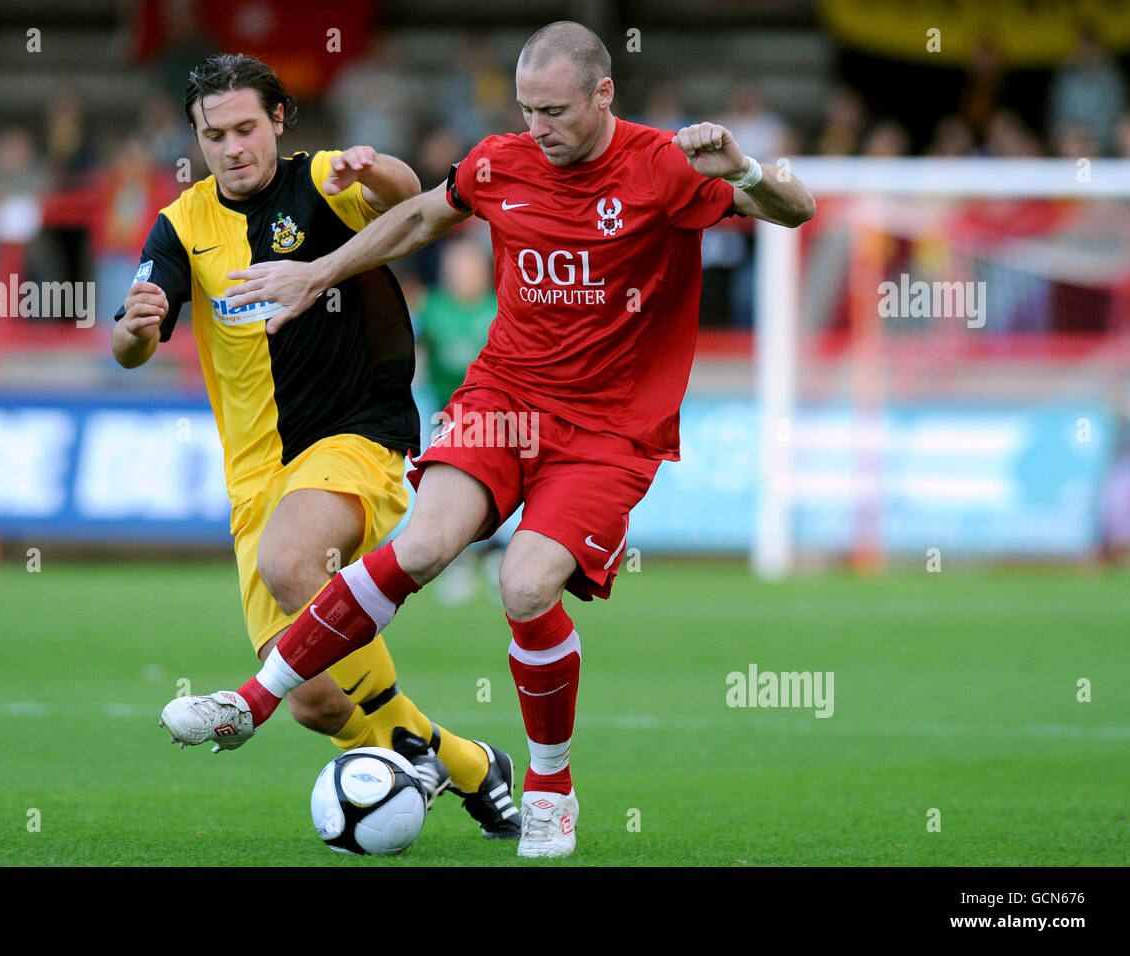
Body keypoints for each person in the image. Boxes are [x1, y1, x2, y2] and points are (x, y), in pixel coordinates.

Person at [162, 22, 816, 858]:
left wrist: (748, 172)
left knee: (524, 585)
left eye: (554, 111)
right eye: (526, 109)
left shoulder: (663, 166)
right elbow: (418, 220)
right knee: (423, 545)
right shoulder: (502, 161)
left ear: (603, 94)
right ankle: (250, 704)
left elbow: (795, 211)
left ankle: (550, 787)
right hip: (504, 399)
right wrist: (317, 273)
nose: (537, 127)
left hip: (609, 428)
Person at [113, 53, 520, 839]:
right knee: (314, 698)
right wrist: (132, 330)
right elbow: (134, 346)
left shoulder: (326, 180)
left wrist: (384, 170)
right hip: (255, 475)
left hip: (356, 435)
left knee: (292, 563)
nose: (231, 147)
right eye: (212, 134)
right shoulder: (182, 226)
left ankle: (301, 720)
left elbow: (414, 206)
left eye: (244, 128)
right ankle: (467, 764)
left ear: (277, 123)